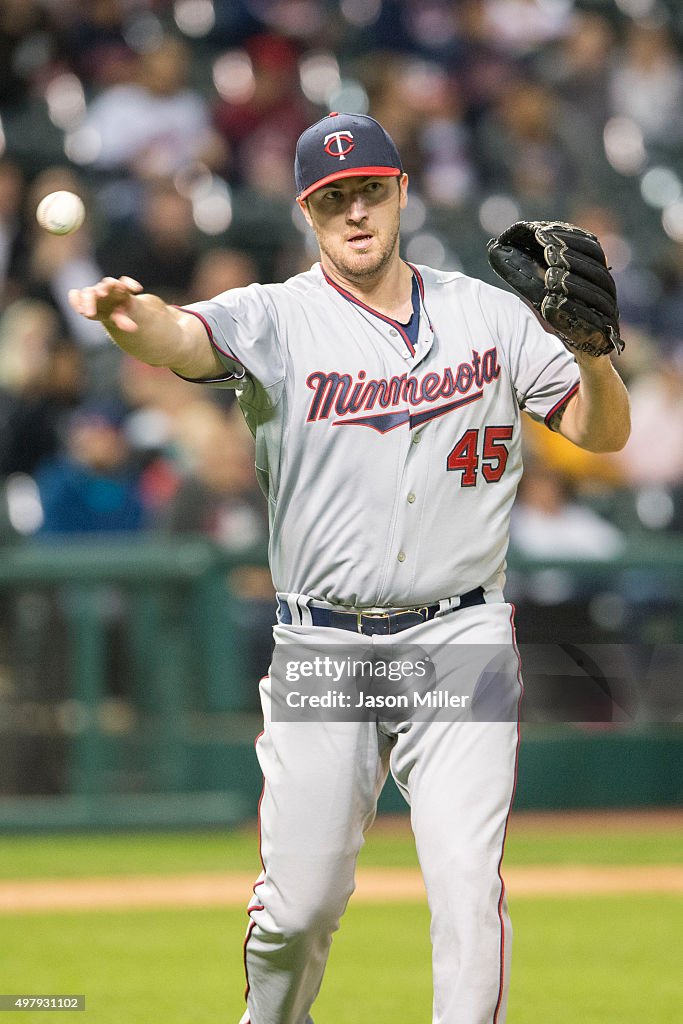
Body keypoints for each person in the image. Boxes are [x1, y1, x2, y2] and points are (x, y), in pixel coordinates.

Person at [68, 112, 630, 1024]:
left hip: (460, 633)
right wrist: (131, 321)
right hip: (325, 638)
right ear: (306, 211)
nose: (354, 212)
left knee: (465, 891)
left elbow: (600, 433)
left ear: (402, 190)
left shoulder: (485, 313)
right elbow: (179, 339)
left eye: (369, 189)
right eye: (333, 199)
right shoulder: (277, 317)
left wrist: (596, 356)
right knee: (300, 911)